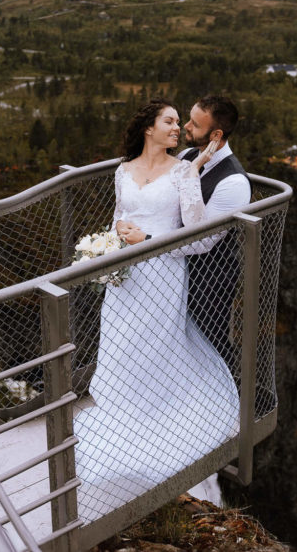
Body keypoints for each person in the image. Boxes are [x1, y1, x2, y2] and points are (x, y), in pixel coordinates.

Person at [74, 99, 240, 520]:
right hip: (124, 274)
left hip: (163, 274)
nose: (177, 128)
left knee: (154, 350)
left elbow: (200, 239)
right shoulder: (122, 170)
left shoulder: (185, 170)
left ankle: (158, 427)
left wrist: (144, 238)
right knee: (120, 347)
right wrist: (111, 244)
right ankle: (121, 420)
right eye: (169, 121)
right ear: (148, 129)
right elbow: (118, 216)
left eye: (181, 122)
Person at [177, 96, 252, 375]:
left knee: (211, 342)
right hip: (176, 270)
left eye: (195, 124)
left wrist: (149, 243)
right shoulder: (186, 157)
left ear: (216, 134)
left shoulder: (233, 183)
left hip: (210, 278)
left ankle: (228, 402)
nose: (186, 127)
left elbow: (201, 241)